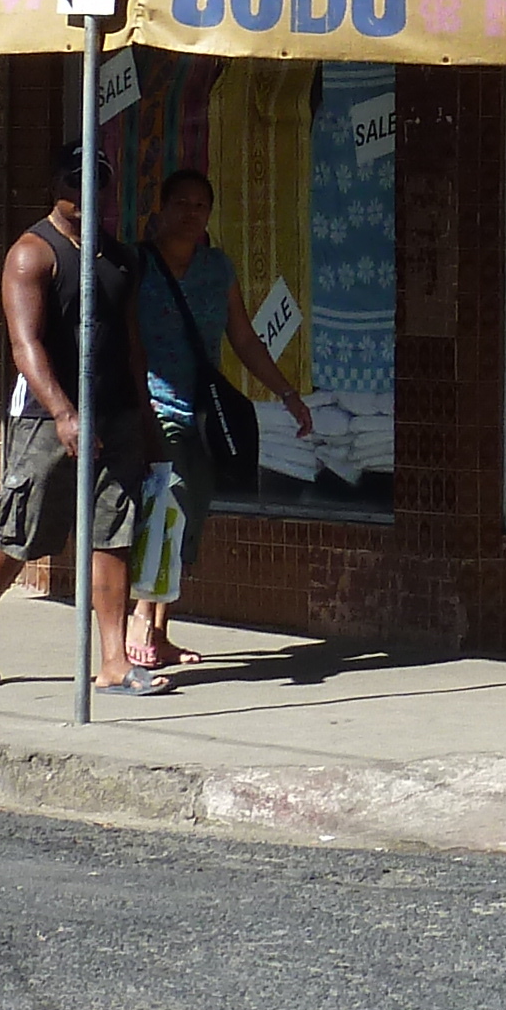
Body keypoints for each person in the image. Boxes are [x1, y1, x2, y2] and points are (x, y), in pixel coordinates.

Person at [0, 186, 154, 697]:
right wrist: (64, 412)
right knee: (25, 528)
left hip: (117, 411)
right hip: (48, 415)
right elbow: (25, 342)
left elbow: (131, 342)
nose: (87, 193)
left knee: (114, 529)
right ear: (57, 189)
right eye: (75, 182)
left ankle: (112, 660)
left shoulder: (119, 257)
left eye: (97, 182)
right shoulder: (32, 253)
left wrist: (144, 414)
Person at [127, 166, 313, 675]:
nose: (191, 214)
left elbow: (245, 339)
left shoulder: (217, 268)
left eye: (200, 206)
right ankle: (141, 618)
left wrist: (288, 394)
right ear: (159, 210)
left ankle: (161, 631)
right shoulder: (138, 266)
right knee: (169, 503)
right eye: (181, 204)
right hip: (154, 408)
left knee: (189, 517)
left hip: (205, 414)